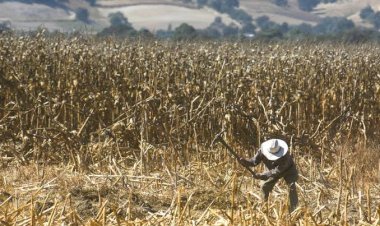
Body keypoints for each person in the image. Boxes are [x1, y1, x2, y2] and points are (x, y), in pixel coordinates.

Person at [239, 139, 298, 213]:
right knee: (265, 186)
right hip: (272, 169)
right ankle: (264, 207)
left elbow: (277, 171)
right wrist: (245, 162)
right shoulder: (262, 151)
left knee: (292, 187)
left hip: (288, 169)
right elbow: (254, 161)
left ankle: (294, 209)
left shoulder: (285, 156)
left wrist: (262, 175)